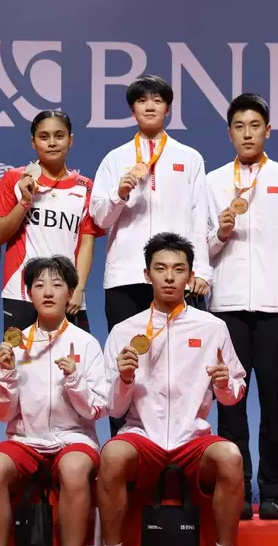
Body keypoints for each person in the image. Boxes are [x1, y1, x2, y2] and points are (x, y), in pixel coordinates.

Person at [84, 232, 250, 546]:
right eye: (161, 269)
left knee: (231, 457)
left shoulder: (212, 327)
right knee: (110, 455)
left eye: (178, 269)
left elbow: (235, 389)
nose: (170, 277)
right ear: (147, 275)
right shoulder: (125, 331)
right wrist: (125, 379)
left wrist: (224, 385)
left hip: (193, 438)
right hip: (143, 436)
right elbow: (112, 408)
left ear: (190, 277)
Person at [204, 93, 278, 520]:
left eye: (255, 126)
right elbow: (201, 248)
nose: (247, 133)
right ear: (229, 132)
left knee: (275, 404)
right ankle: (238, 489)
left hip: (274, 310)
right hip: (226, 308)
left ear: (268, 130)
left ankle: (271, 490)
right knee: (230, 406)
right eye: (239, 126)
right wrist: (220, 233)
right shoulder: (213, 183)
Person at [0, 256, 108, 546]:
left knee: (76, 469)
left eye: (57, 284)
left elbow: (97, 408)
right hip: (26, 440)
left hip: (74, 438)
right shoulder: (15, 345)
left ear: (70, 293)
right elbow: (1, 415)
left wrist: (74, 379)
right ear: (29, 294)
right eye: (39, 285)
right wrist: (5, 374)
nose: (48, 292)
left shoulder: (87, 344)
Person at [89, 75, 212, 436]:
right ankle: (121, 451)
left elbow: (198, 215)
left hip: (176, 277)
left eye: (157, 100)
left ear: (167, 108)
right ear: (133, 109)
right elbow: (98, 217)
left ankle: (180, 449)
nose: (150, 106)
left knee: (179, 367)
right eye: (142, 101)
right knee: (125, 364)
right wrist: (120, 192)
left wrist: (200, 270)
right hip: (127, 276)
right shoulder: (115, 160)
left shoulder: (189, 158)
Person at [0, 110, 103, 334]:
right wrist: (24, 202)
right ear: (33, 142)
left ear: (70, 141)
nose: (52, 143)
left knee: (72, 365)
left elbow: (87, 244)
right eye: (44, 137)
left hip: (67, 295)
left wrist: (78, 289)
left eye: (59, 136)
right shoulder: (15, 179)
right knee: (21, 365)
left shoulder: (85, 187)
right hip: (20, 293)